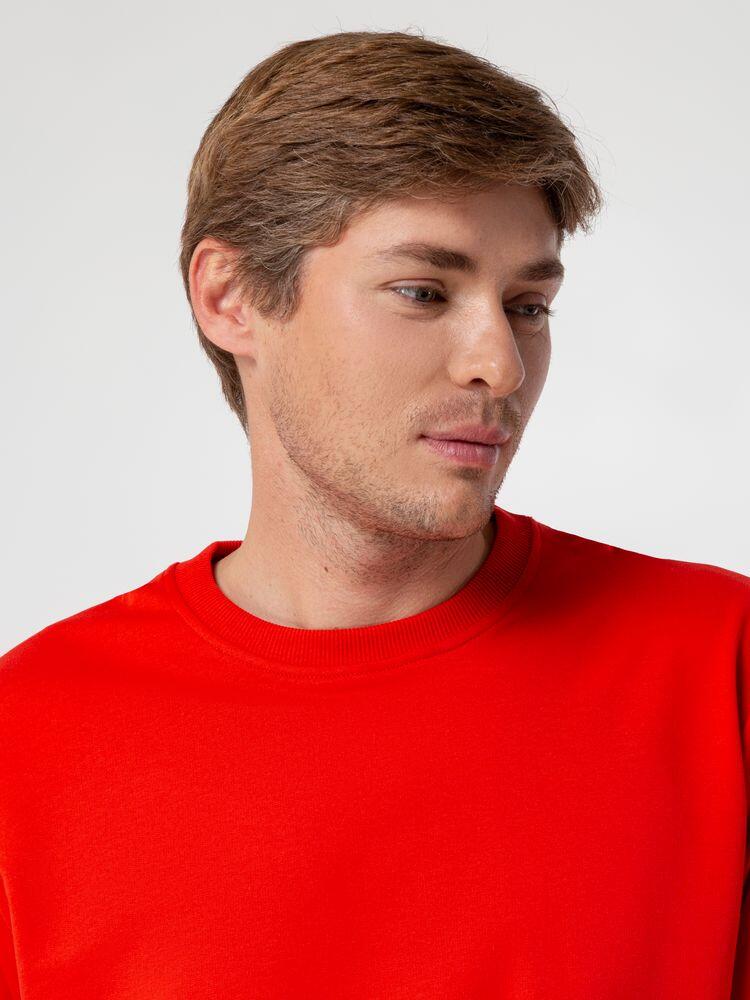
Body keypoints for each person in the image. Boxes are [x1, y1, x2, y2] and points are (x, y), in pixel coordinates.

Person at [1, 27, 748, 1000]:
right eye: (423, 292)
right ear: (231, 298)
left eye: (528, 305)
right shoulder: (29, 735)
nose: (499, 365)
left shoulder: (720, 668)